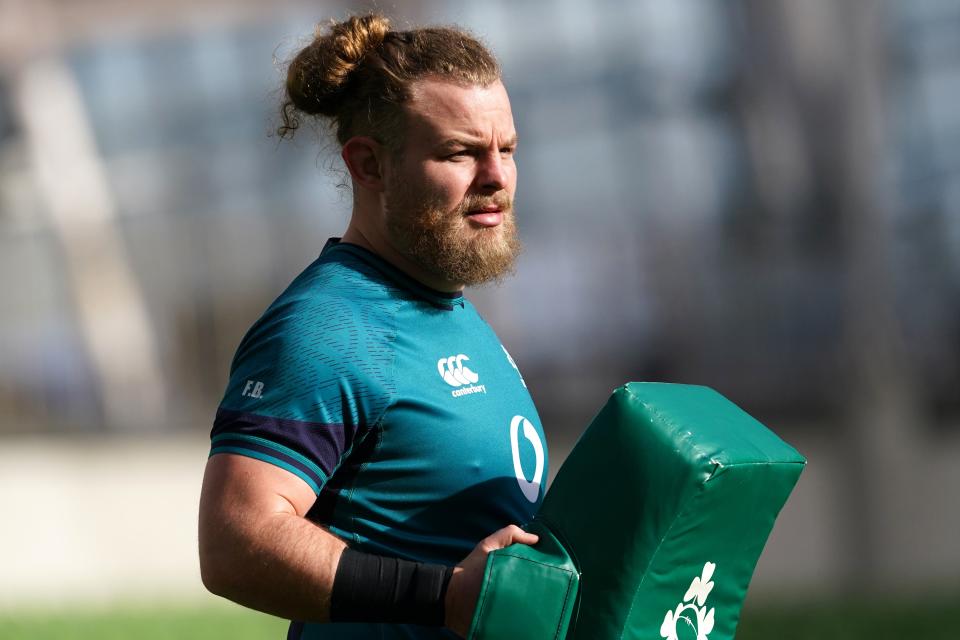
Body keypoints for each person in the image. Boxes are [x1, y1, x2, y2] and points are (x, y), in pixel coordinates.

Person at [198, 13, 548, 640]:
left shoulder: (446, 310)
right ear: (370, 166)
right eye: (460, 152)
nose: (496, 176)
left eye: (508, 149)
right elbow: (235, 542)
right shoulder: (327, 328)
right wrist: (442, 596)